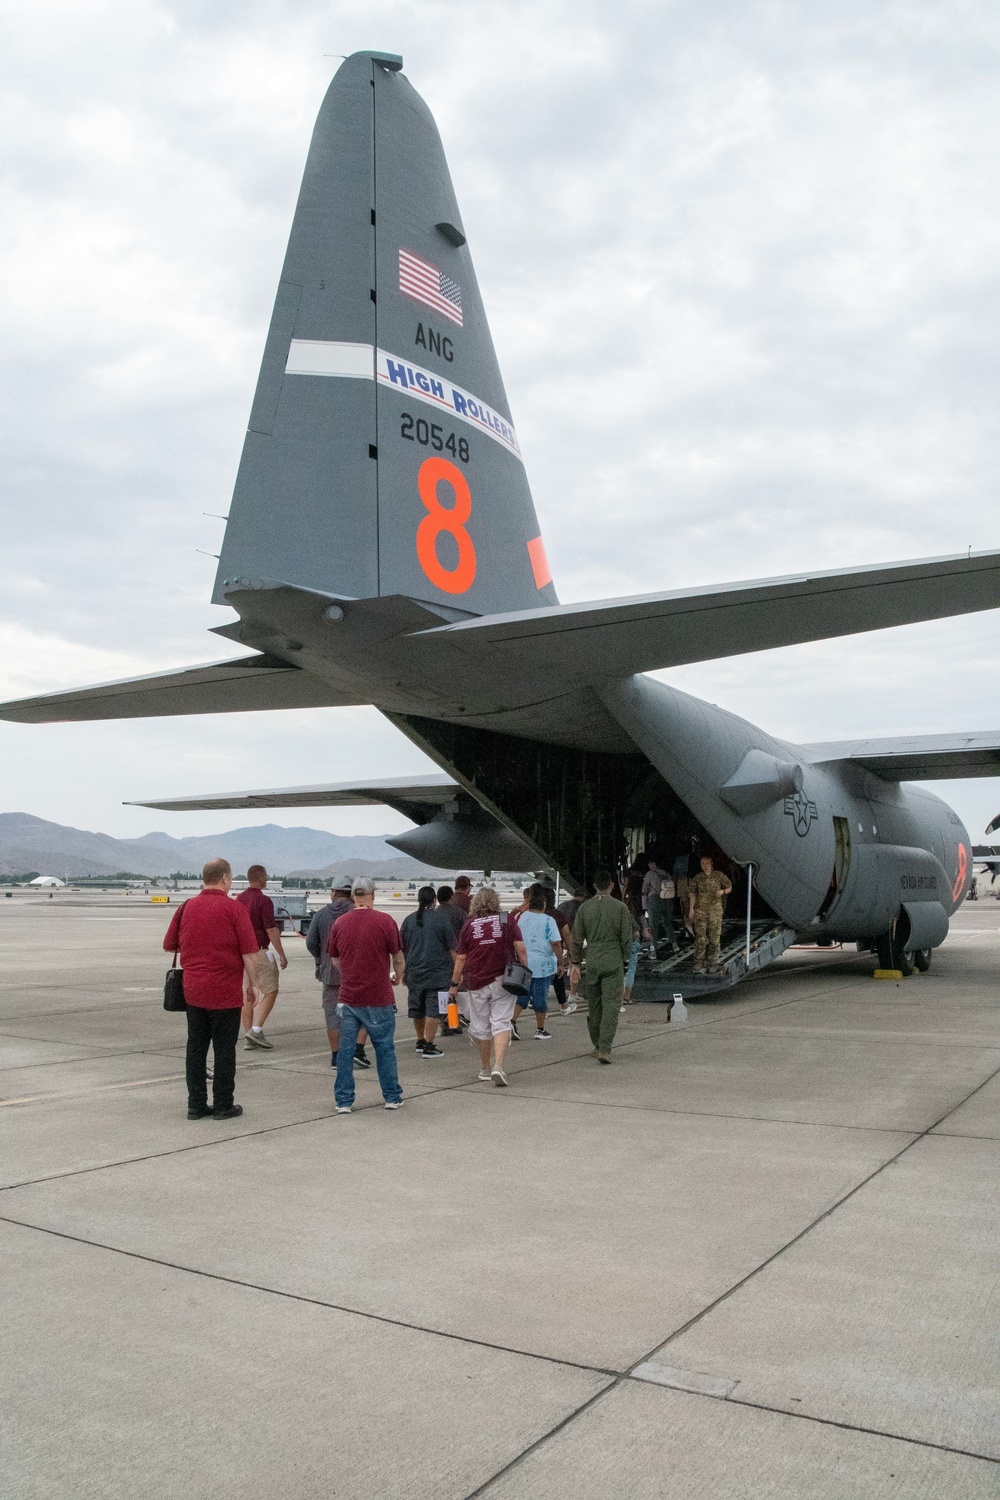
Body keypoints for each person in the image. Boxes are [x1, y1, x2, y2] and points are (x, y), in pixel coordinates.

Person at [163, 857, 259, 1120]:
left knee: (195, 1048)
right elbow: (250, 952)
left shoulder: (186, 907)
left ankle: (195, 1105)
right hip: (225, 991)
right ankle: (223, 1105)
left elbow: (169, 944)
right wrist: (253, 985)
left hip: (193, 991)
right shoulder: (234, 909)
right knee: (224, 1050)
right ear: (226, 878)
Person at [327, 878, 406, 1113]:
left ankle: (343, 1101)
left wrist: (351, 972)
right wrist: (398, 976)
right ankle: (392, 1096)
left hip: (349, 997)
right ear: (372, 895)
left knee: (346, 1050)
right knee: (384, 1049)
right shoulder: (385, 921)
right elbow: (398, 956)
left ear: (353, 896)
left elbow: (335, 959)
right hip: (379, 996)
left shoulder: (340, 923)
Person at [448, 887, 526, 1087]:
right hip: (504, 979)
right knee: (501, 1022)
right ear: (496, 901)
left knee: (481, 1026)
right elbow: (520, 948)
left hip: (476, 981)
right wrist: (525, 970)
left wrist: (454, 984)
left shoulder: (469, 925)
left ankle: (484, 1067)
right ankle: (498, 1066)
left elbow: (461, 958)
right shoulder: (506, 919)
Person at [304, 877, 371, 1070]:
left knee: (332, 1016)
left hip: (329, 974)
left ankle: (336, 1056)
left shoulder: (322, 914)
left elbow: (311, 942)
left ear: (333, 892)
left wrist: (321, 959)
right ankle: (358, 1049)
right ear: (351, 893)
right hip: (355, 974)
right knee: (364, 1011)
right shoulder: (357, 913)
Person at [570, 871, 633, 1063]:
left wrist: (575, 963)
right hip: (613, 960)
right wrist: (626, 961)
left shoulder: (584, 908)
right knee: (611, 1006)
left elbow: (577, 938)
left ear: (594, 886)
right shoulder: (620, 908)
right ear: (612, 885)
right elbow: (626, 938)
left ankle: (596, 1045)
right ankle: (605, 1048)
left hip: (593, 960)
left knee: (594, 1006)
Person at [400, 886, 458, 1057]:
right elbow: (452, 949)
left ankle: (420, 1040)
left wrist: (404, 971)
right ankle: (430, 1045)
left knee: (417, 1008)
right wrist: (457, 973)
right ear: (434, 900)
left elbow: (402, 948)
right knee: (434, 1010)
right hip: (437, 974)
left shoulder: (409, 920)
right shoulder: (441, 919)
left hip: (414, 973)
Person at [235, 864, 288, 1050]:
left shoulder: (239, 899)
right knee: (271, 990)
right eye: (265, 876)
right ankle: (256, 1030)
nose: (267, 879)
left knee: (247, 993)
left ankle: (248, 1035)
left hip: (243, 954)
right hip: (259, 951)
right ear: (260, 878)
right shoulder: (264, 901)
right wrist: (281, 954)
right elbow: (271, 929)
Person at [512, 883, 562, 1039]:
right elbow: (555, 943)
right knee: (540, 997)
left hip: (524, 963)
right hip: (543, 965)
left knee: (522, 996)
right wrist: (561, 962)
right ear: (544, 905)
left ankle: (511, 1022)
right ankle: (540, 1029)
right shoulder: (548, 920)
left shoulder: (521, 918)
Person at [688, 854, 733, 975]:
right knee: (701, 939)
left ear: (711, 864)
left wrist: (722, 891)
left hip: (715, 912)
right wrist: (691, 909)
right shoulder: (697, 878)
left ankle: (713, 963)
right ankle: (698, 962)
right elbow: (692, 894)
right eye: (702, 864)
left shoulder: (718, 876)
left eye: (706, 863)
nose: (704, 866)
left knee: (714, 940)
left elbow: (729, 887)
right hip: (701, 912)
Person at [436, 885, 469, 1031]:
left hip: (440, 958)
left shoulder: (434, 914)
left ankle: (445, 1021)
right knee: (457, 988)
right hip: (457, 954)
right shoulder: (460, 913)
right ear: (451, 896)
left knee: (443, 991)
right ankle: (456, 1019)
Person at [553, 892, 583, 1014]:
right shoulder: (580, 907)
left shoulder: (562, 905)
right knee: (575, 963)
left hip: (557, 938)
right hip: (571, 937)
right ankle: (572, 993)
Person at [642, 858, 673, 951]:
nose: (649, 866)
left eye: (650, 863)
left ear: (654, 863)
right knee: (667, 923)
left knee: (653, 925)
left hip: (654, 899)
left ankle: (653, 949)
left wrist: (645, 895)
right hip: (667, 900)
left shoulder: (650, 874)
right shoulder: (666, 873)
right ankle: (675, 944)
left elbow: (644, 889)